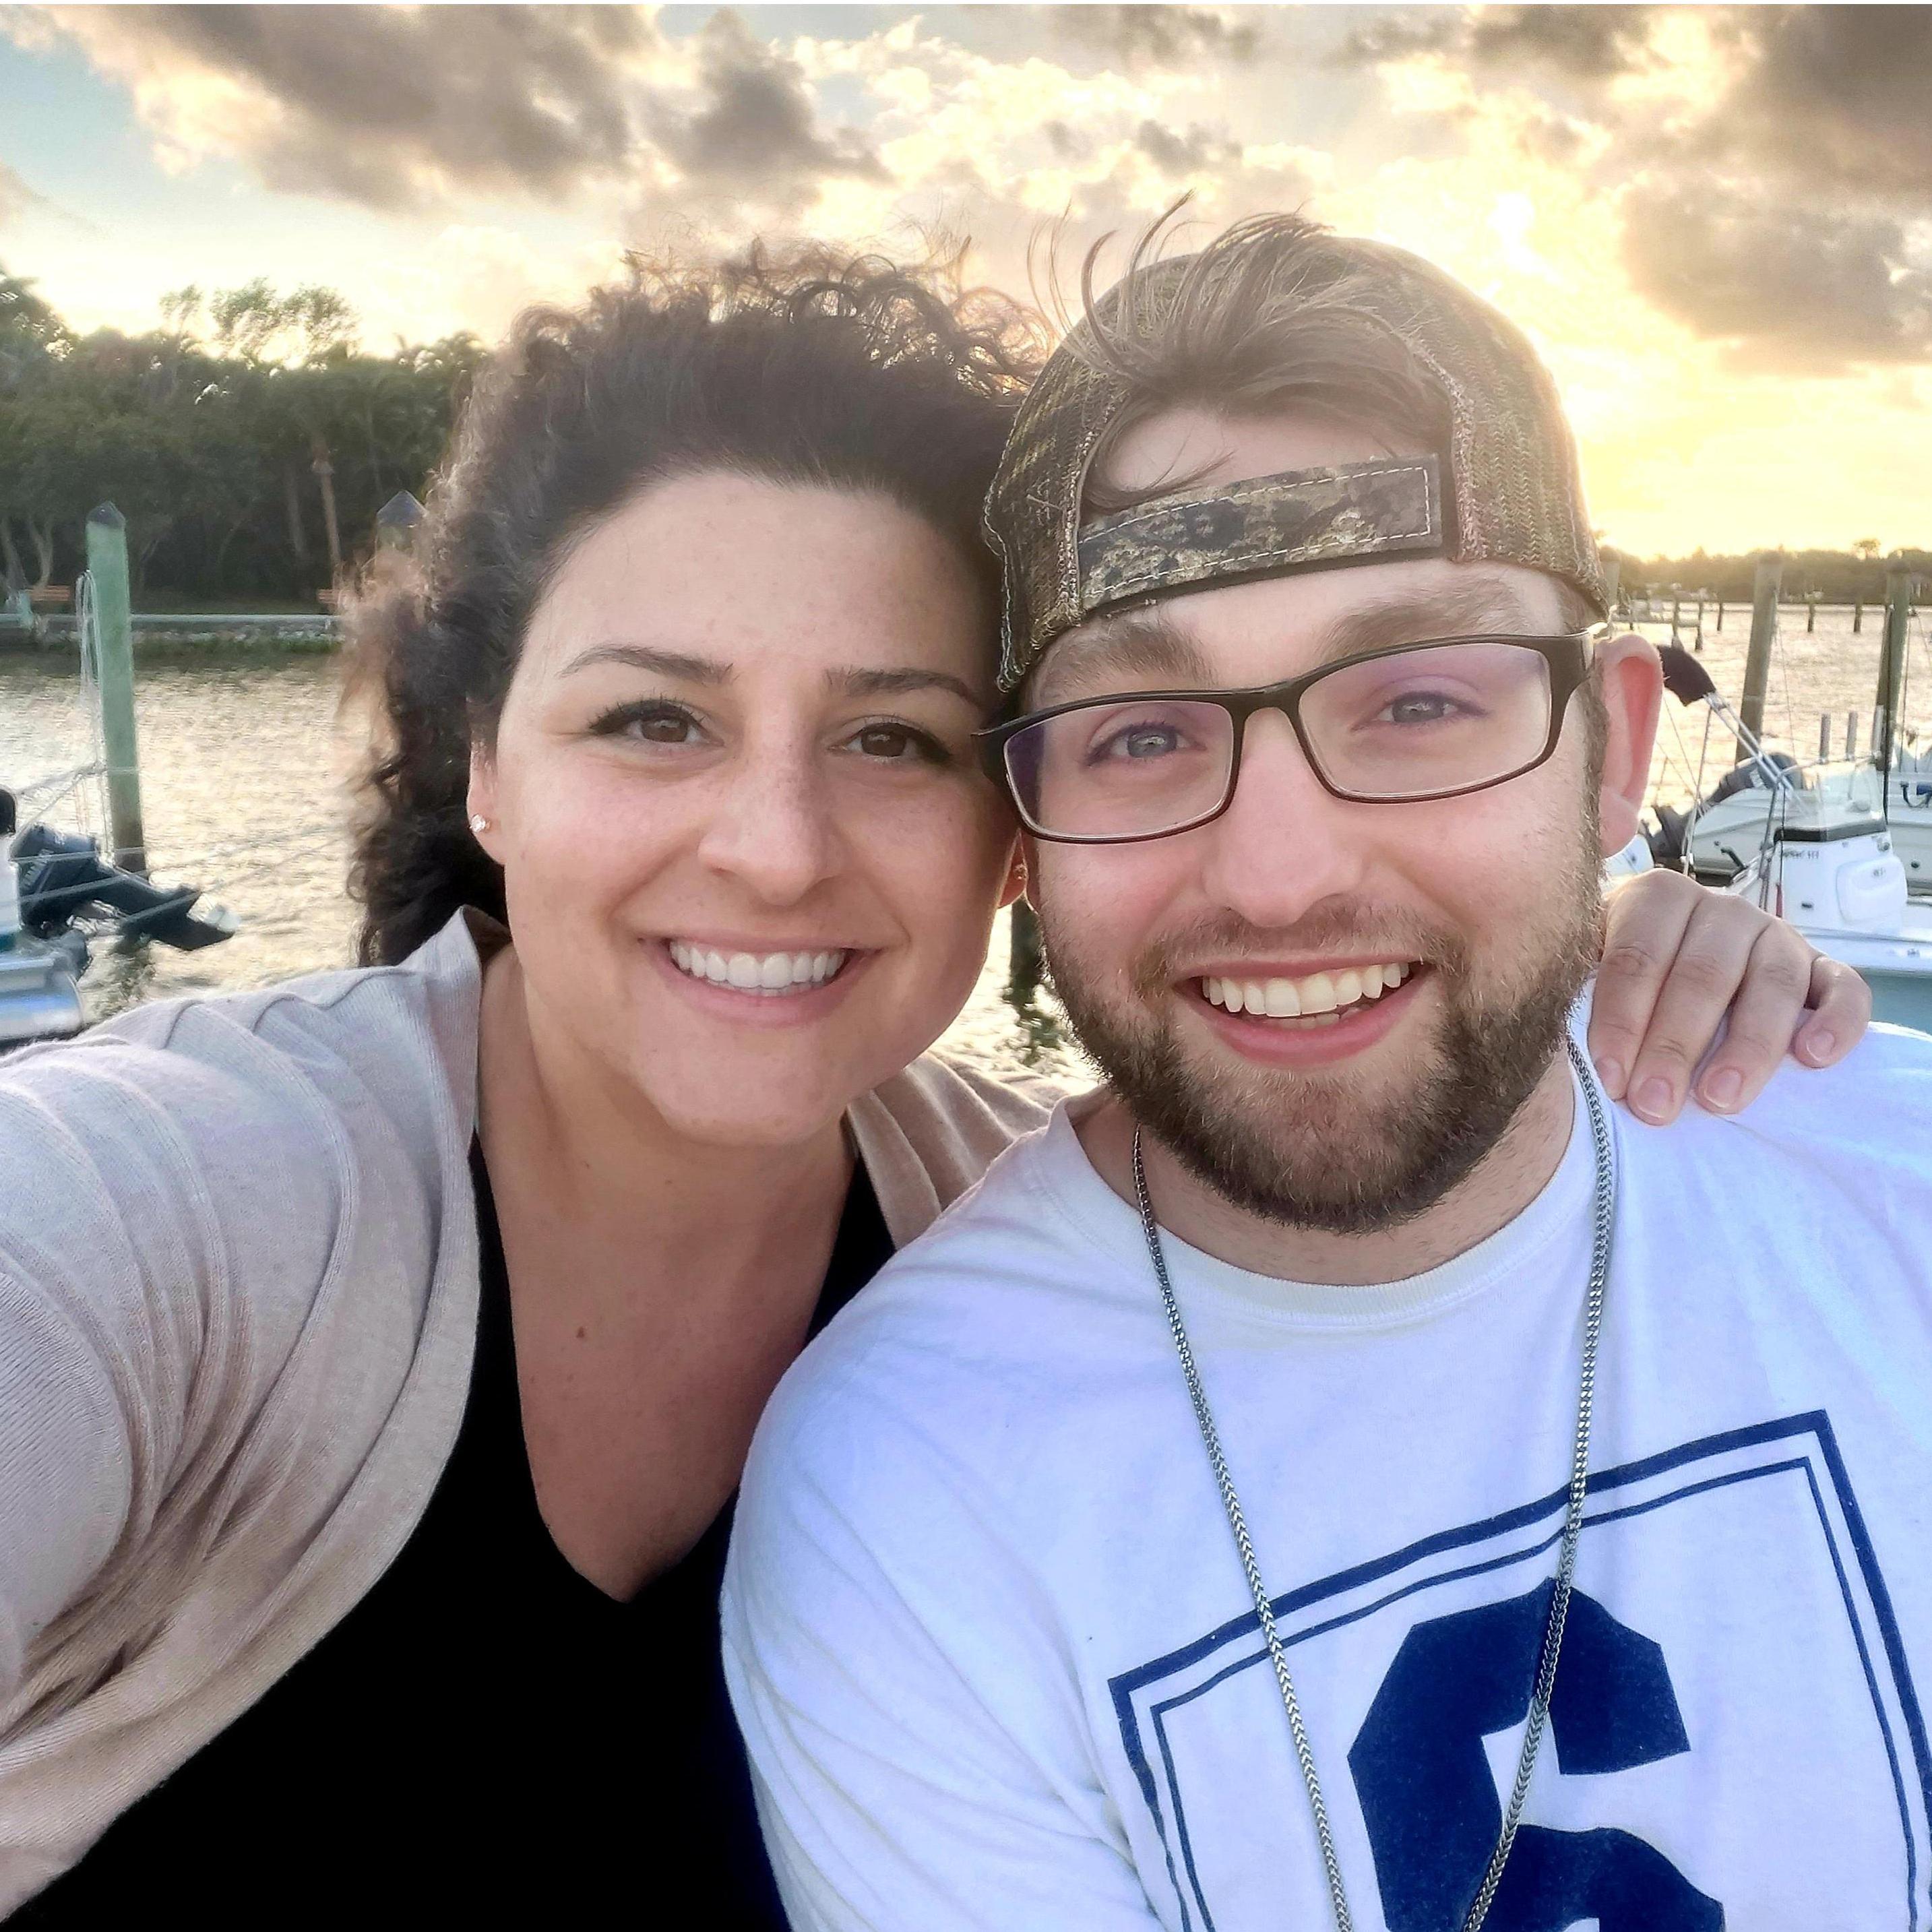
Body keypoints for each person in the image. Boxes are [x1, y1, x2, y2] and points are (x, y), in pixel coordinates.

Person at [0, 250, 1860, 1925]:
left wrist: (1561, 929)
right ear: (483, 764)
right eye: (654, 718)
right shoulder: (178, 1216)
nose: (775, 844)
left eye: (895, 735)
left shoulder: (996, 1226)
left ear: (1011, 833)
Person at [723, 216, 1932, 1932]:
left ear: (1617, 753)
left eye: (1421, 704)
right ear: (1023, 835)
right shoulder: (915, 1494)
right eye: (1143, 737)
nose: (1281, 877)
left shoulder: (1899, 1194)